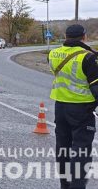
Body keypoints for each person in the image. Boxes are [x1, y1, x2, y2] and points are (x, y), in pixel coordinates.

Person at [49, 24, 98, 189]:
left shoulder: (53, 53)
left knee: (63, 149)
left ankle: (65, 184)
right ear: (84, 37)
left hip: (60, 107)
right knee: (81, 152)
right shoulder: (88, 58)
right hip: (82, 110)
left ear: (65, 35)